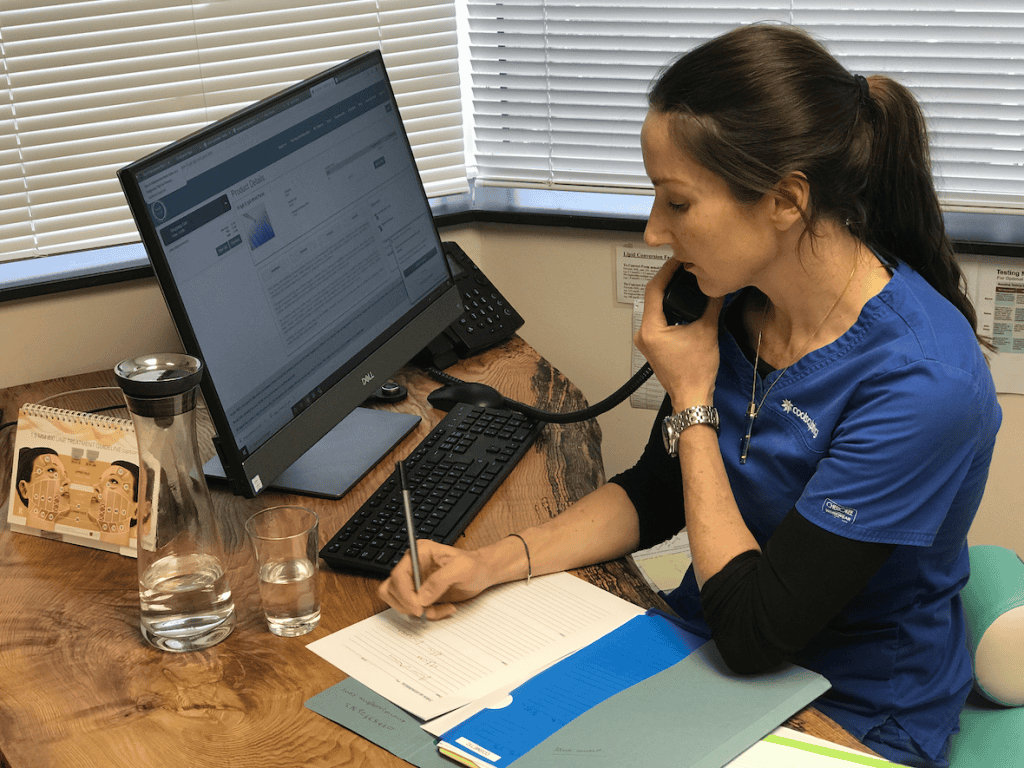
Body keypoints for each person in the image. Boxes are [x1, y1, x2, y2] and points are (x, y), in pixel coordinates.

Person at [379, 23, 1001, 768]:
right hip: (704, 645)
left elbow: (757, 636)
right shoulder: (736, 305)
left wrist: (693, 400)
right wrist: (493, 562)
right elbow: (655, 491)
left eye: (677, 202)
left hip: (847, 712)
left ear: (786, 200)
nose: (652, 232)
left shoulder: (923, 383)